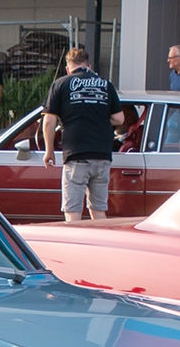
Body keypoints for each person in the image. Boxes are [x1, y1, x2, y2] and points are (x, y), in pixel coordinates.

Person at [41, 47, 124, 222]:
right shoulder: (105, 84)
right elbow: (119, 119)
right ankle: (101, 248)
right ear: (89, 66)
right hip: (102, 155)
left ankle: (74, 248)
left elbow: (49, 122)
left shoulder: (61, 84)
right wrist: (98, 118)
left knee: (73, 213)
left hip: (76, 155)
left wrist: (48, 151)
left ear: (67, 68)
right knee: (99, 210)